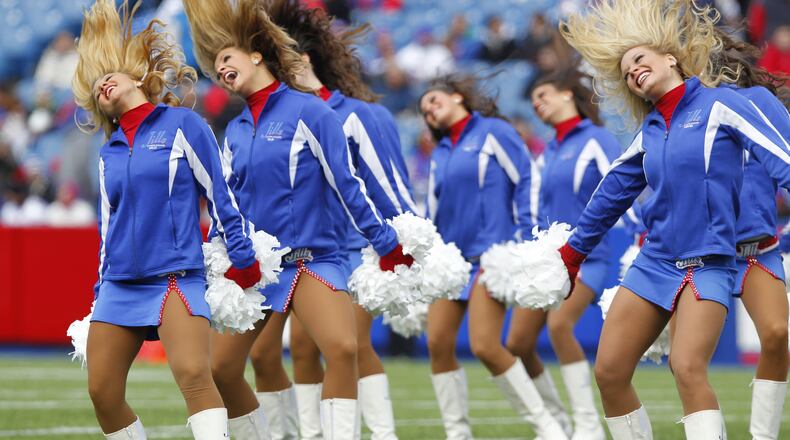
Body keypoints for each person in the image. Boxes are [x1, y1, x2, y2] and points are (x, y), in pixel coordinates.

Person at [559, 0, 790, 437]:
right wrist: (572, 253)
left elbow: (782, 159)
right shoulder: (650, 129)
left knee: (689, 365)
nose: (632, 72)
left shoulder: (724, 104)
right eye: (626, 72)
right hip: (656, 260)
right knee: (608, 370)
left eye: (639, 60)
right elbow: (611, 192)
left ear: (671, 57)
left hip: (715, 259)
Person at [182, 1, 412, 438]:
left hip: (312, 259)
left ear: (256, 53)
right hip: (259, 269)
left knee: (343, 349)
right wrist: (225, 259)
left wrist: (387, 244)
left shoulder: (311, 110)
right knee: (223, 368)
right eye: (215, 66)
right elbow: (227, 206)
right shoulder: (235, 130)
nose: (221, 69)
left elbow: (349, 186)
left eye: (227, 57)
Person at [71, 1, 263, 438]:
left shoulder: (183, 125)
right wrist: (100, 292)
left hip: (176, 277)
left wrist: (242, 256)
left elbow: (221, 197)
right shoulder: (109, 152)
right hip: (120, 284)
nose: (104, 83)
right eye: (97, 83)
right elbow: (107, 230)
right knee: (102, 392)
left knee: (196, 376)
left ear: (137, 76)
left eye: (110, 75)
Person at [250, 3, 416, 439]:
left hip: (360, 248)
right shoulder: (278, 119)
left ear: (304, 61)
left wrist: (407, 242)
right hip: (310, 250)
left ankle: (383, 435)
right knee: (298, 349)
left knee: (351, 344)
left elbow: (389, 184)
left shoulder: (361, 114)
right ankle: (311, 433)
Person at [420, 73, 567, 439]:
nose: (429, 112)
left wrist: (524, 238)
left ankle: (547, 426)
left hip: (491, 257)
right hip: (453, 263)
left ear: (457, 97)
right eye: (424, 111)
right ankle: (458, 433)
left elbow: (526, 178)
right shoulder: (440, 152)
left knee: (485, 345)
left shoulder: (493, 133)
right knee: (437, 343)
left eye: (434, 102)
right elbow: (433, 212)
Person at [506, 67, 621, 440]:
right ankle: (557, 424)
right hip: (548, 262)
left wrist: (640, 233)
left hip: (593, 257)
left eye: (544, 95)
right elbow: (536, 209)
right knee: (518, 343)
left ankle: (589, 426)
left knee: (559, 325)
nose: (537, 104)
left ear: (567, 95)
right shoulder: (547, 150)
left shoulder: (597, 138)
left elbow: (623, 184)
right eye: (534, 100)